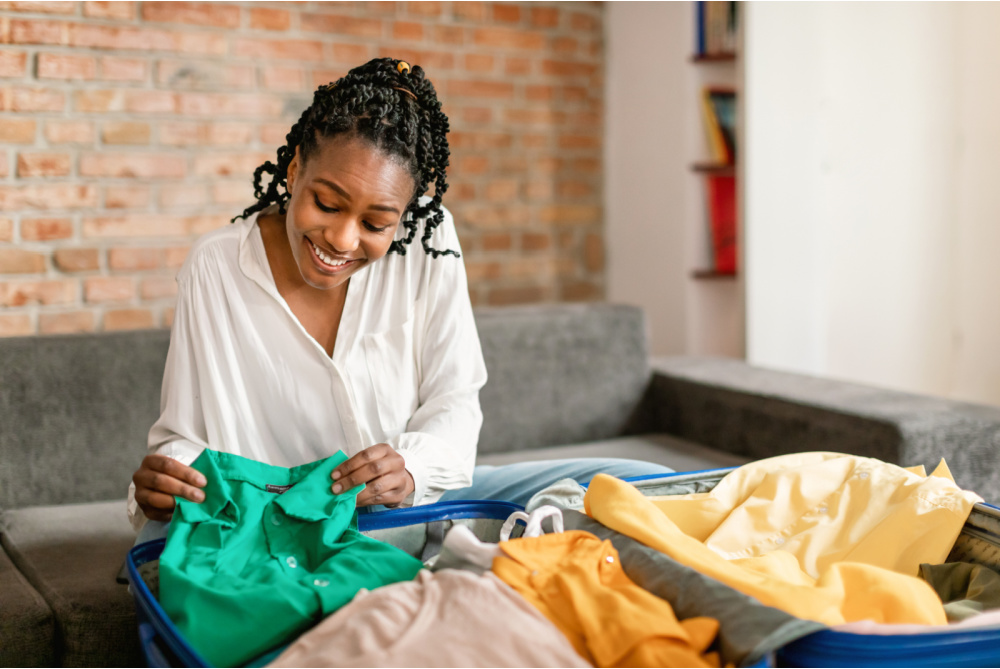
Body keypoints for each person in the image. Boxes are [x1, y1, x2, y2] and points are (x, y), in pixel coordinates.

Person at [129, 58, 670, 544]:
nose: (342, 240)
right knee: (159, 540)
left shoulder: (429, 241)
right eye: (326, 203)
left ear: (405, 216)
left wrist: (410, 466)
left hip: (410, 508)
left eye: (375, 223)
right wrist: (168, 476)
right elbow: (182, 438)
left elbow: (455, 400)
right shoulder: (217, 266)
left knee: (648, 485)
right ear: (294, 171)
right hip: (277, 528)